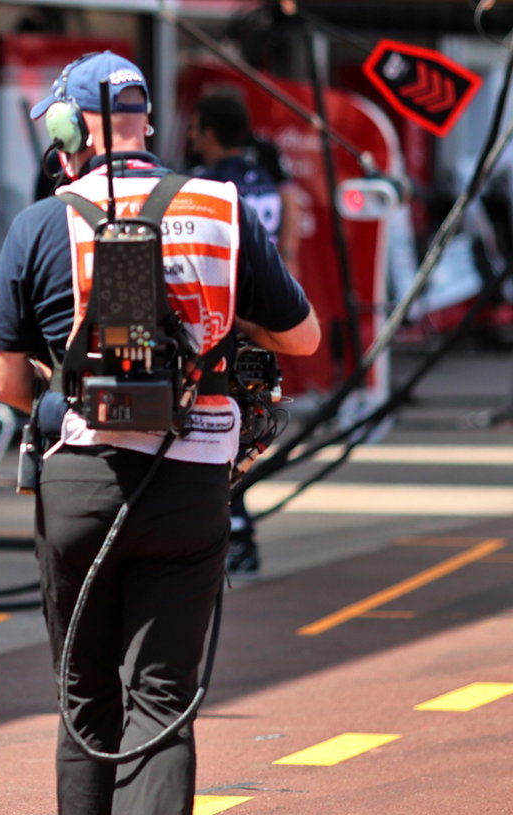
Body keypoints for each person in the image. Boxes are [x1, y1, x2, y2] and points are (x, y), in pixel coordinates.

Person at [0, 52, 320, 815]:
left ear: (66, 128)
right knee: (162, 694)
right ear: (145, 121)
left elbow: (5, 384)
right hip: (190, 482)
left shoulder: (38, 223)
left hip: (76, 486)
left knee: (83, 687)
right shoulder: (219, 207)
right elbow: (305, 339)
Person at [188, 90, 303, 581]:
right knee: (248, 433)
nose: (191, 137)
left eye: (195, 129)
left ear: (209, 133)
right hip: (265, 320)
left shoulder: (208, 186)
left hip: (227, 325)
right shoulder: (263, 176)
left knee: (218, 434)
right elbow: (293, 208)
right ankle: (236, 535)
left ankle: (234, 537)